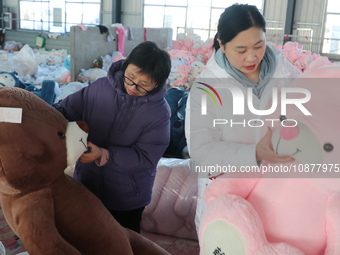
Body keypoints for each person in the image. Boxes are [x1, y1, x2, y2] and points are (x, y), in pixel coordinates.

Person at [184, 4, 301, 236]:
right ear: (222, 45)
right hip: (226, 198)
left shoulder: (285, 74)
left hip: (276, 194)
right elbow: (202, 151)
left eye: (259, 45)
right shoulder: (207, 88)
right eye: (241, 49)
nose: (252, 56)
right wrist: (254, 154)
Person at [57, 41, 171, 233]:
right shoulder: (100, 88)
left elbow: (145, 157)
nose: (133, 87)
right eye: (131, 77)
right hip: (87, 186)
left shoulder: (159, 114)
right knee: (85, 238)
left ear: (157, 84)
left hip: (126, 198)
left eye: (143, 84)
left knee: (122, 244)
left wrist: (103, 154)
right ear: (125, 66)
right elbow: (67, 109)